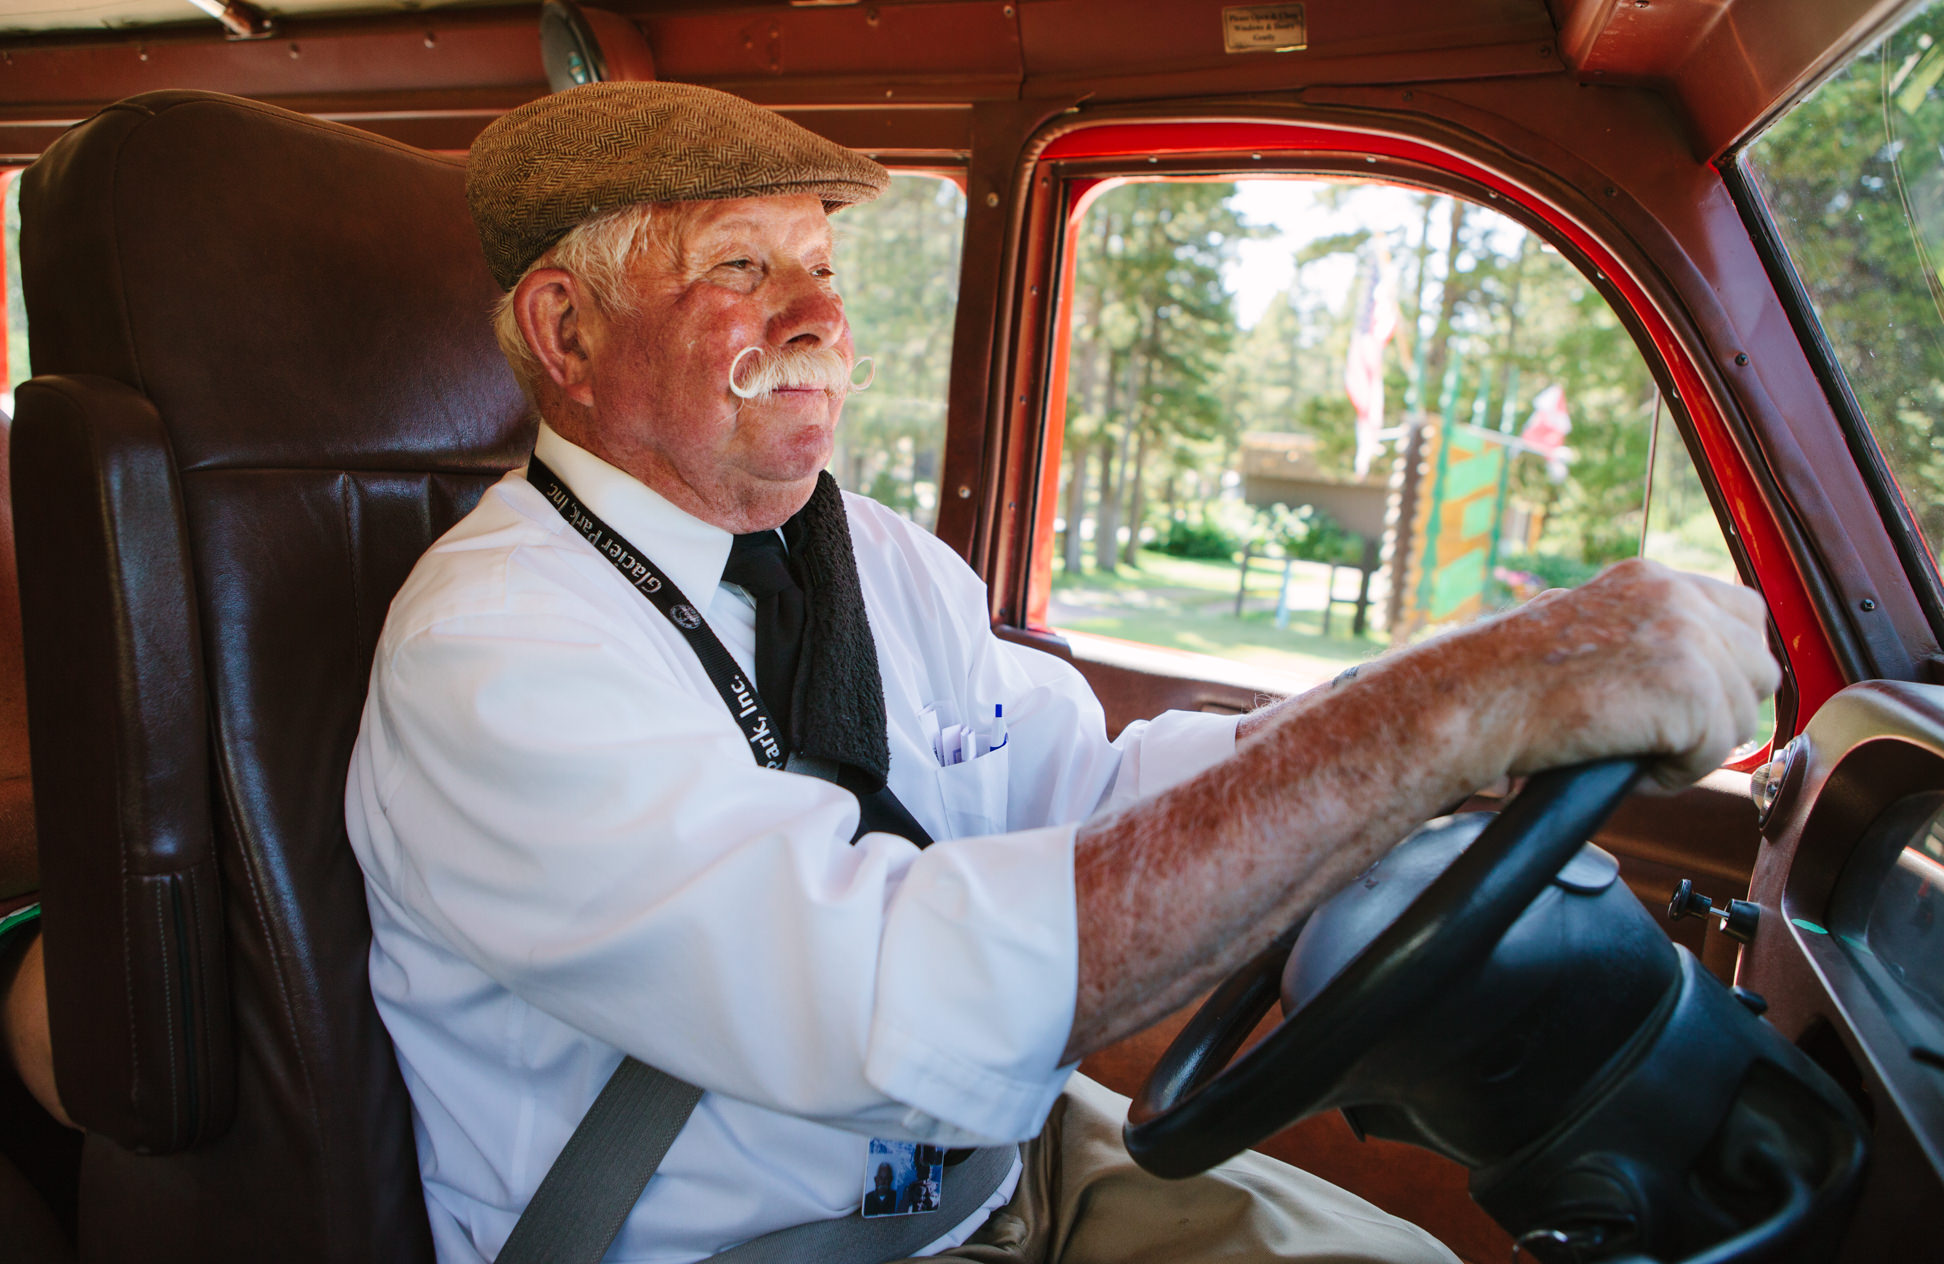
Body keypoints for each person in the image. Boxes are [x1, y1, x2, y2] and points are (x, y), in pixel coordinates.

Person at [344, 81, 1778, 1264]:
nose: (821, 321)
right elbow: (884, 1003)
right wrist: (1442, 717)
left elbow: (1087, 788)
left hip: (1002, 1181)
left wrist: (1437, 711)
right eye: (741, 266)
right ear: (565, 331)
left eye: (823, 270)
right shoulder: (496, 647)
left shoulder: (880, 558)